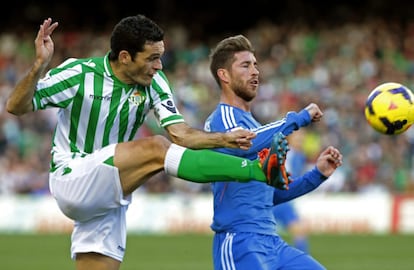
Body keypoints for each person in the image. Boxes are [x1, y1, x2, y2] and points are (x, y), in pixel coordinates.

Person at [6, 16, 290, 270]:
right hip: (73, 176)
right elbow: (16, 106)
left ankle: (258, 169)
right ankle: (256, 170)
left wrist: (222, 138)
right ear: (126, 57)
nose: (159, 65)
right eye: (152, 58)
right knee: (156, 148)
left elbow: (180, 134)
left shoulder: (154, 82)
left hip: (109, 193)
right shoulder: (80, 74)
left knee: (160, 152)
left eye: (161, 57)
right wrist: (39, 66)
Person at [204, 34, 343, 269]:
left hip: (273, 242)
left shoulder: (257, 127)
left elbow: (272, 196)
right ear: (224, 75)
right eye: (246, 65)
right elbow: (245, 142)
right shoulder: (222, 120)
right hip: (239, 243)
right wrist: (297, 119)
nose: (255, 71)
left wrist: (317, 175)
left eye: (256, 65)